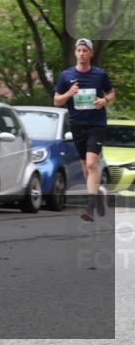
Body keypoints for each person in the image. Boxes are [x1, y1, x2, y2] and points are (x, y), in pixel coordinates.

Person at [53, 37, 115, 221]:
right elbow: (56, 101)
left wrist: (104, 100)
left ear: (91, 53)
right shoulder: (66, 76)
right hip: (77, 125)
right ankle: (97, 194)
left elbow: (111, 93)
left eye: (85, 50)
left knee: (91, 164)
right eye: (79, 50)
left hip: (96, 124)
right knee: (86, 166)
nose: (82, 53)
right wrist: (69, 93)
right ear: (75, 53)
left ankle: (90, 206)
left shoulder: (100, 74)